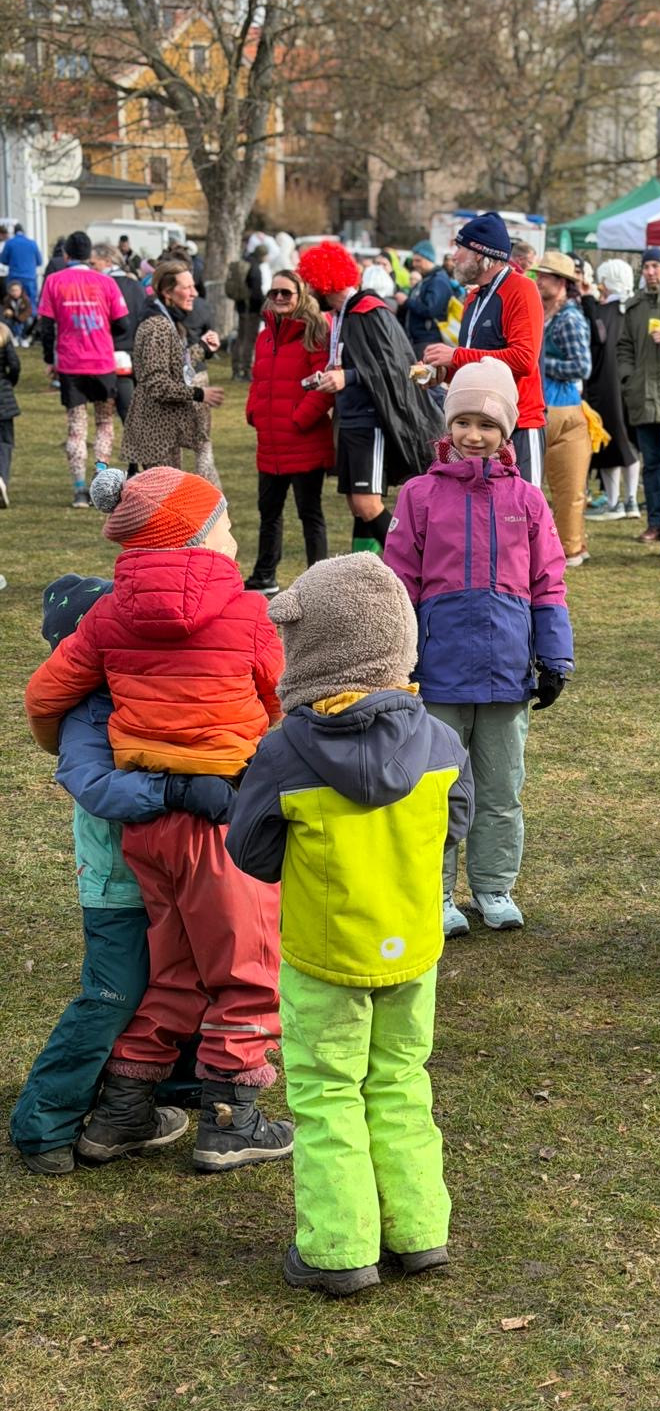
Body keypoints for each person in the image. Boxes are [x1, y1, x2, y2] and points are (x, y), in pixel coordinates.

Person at [24, 466, 294, 1172]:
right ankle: (231, 1122)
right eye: (228, 525)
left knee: (172, 968)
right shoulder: (246, 611)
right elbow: (278, 700)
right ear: (201, 536)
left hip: (150, 826)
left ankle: (121, 1112)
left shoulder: (108, 615)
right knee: (247, 967)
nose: (236, 538)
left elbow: (43, 695)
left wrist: (100, 744)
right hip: (222, 821)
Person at [226, 555, 473, 1294]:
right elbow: (454, 827)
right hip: (411, 946)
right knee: (400, 1080)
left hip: (323, 954)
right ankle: (420, 1229)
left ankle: (338, 1250)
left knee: (328, 1093)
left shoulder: (283, 752)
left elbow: (251, 850)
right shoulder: (440, 740)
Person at [10, 575, 230, 1175]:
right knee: (113, 996)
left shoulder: (151, 688)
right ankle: (43, 1124)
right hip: (118, 887)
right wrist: (179, 788)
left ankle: (161, 1094)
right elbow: (97, 785)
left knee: (183, 980)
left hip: (172, 873)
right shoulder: (86, 712)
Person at [383, 359, 573, 934]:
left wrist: (554, 657)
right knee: (434, 786)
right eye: (463, 421)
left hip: (507, 669)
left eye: (487, 424)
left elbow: (549, 581)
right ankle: (435, 892)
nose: (474, 435)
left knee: (499, 788)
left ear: (506, 432)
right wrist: (398, 656)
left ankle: (493, 887)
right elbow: (398, 583)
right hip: (436, 670)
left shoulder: (529, 501)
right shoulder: (419, 496)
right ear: (448, 426)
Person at [297, 240, 441, 555]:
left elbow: (395, 369)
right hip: (351, 420)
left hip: (369, 422)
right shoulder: (345, 314)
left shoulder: (369, 312)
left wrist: (346, 377)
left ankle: (417, 559)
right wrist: (333, 375)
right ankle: (366, 571)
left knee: (367, 503)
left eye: (311, 283)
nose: (308, 291)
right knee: (356, 505)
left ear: (325, 282)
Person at [422, 214, 546, 486]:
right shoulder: (473, 296)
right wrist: (443, 373)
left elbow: (524, 360)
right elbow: (478, 366)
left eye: (459, 248)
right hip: (477, 425)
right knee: (480, 516)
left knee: (522, 518)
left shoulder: (521, 289)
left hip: (518, 423)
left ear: (478, 254)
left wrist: (455, 356)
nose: (454, 257)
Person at [243, 268, 334, 595]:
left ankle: (319, 581)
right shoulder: (265, 335)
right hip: (270, 443)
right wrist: (253, 410)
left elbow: (324, 387)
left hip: (303, 442)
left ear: (300, 296)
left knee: (310, 514)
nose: (279, 298)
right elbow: (259, 380)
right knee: (268, 513)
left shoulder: (314, 332)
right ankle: (265, 575)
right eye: (275, 293)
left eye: (286, 293)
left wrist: (299, 419)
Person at [37, 230, 128, 508]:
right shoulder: (106, 282)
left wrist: (49, 359)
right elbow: (122, 323)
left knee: (76, 427)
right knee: (104, 424)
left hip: (70, 363)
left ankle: (78, 489)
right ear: (90, 255)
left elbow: (46, 326)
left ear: (65, 255)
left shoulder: (53, 281)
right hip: (101, 362)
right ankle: (100, 482)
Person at [122, 259, 223, 483]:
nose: (194, 293)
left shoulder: (168, 321)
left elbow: (175, 364)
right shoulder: (157, 326)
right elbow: (157, 384)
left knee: (169, 502)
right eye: (187, 287)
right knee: (164, 506)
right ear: (168, 292)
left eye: (193, 286)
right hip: (156, 431)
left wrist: (203, 349)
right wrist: (200, 393)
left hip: (165, 429)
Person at [535, 251, 593, 566]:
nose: (538, 280)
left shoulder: (569, 317)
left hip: (563, 407)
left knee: (567, 487)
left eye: (544, 276)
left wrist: (541, 363)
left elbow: (581, 366)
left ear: (561, 283)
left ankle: (571, 548)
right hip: (548, 406)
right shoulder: (547, 312)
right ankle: (569, 545)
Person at [617, 249, 660, 544]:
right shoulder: (635, 307)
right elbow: (623, 346)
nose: (650, 271)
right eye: (646, 266)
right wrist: (628, 378)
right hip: (641, 392)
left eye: (655, 266)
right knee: (651, 462)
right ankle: (656, 522)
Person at [586, 259, 641, 522]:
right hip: (630, 386)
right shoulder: (632, 310)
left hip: (607, 387)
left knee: (610, 442)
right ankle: (628, 500)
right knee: (626, 444)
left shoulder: (605, 311)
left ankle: (614, 502)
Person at [90, 242, 144, 423]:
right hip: (135, 350)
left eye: (93, 264)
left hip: (111, 351)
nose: (91, 269)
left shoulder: (101, 286)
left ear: (106, 262)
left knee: (111, 414)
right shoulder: (136, 286)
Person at [400, 239, 454, 356]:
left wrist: (406, 301)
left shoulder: (438, 281)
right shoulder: (427, 279)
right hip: (421, 340)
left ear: (429, 259)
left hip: (429, 341)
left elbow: (431, 309)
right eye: (413, 260)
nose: (414, 264)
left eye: (418, 260)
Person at [232, 243, 269, 378]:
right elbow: (257, 292)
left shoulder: (244, 263)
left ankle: (236, 369)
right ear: (263, 255)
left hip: (241, 307)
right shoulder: (255, 268)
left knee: (240, 338)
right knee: (249, 340)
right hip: (252, 309)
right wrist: (263, 306)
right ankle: (246, 370)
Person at [0, 222, 42, 309]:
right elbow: (39, 262)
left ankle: (15, 321)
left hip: (14, 278)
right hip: (29, 277)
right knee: (31, 302)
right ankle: (32, 320)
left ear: (14, 232)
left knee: (13, 302)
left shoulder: (9, 243)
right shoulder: (32, 243)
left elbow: (3, 260)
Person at [0, 319, 19, 508]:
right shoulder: (3, 332)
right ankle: (2, 478)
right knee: (5, 443)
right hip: (3, 396)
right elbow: (14, 365)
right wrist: (8, 383)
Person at [2, 279, 34, 344]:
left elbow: (28, 311)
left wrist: (19, 318)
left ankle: (23, 337)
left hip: (22, 317)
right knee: (6, 322)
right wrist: (7, 312)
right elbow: (4, 310)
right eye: (12, 291)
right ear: (9, 291)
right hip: (12, 317)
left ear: (21, 290)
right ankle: (14, 337)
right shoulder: (7, 299)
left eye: (17, 290)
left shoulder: (25, 299)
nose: (15, 293)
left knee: (30, 321)